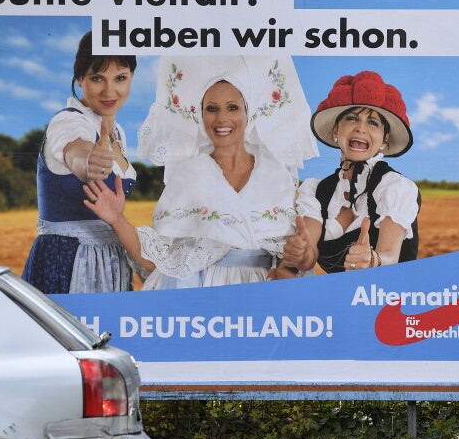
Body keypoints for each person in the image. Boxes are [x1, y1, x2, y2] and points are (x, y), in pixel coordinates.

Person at [84, 55, 318, 289]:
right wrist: (116, 218)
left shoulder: (276, 176)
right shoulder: (188, 175)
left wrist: (298, 256)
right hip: (200, 291)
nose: (222, 118)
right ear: (200, 115)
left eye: (233, 107)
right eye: (212, 109)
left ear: (249, 114)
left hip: (261, 291)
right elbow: (157, 260)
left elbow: (296, 260)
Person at [21, 31, 137, 293]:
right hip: (69, 260)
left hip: (110, 261)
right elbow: (75, 150)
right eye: (97, 78)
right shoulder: (68, 120)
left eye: (120, 78)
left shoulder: (117, 133)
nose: (110, 91)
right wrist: (87, 162)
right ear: (80, 79)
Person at [277, 71, 420, 276]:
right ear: (336, 130)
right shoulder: (317, 191)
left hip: (387, 301)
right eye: (352, 118)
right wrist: (300, 253)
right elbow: (309, 257)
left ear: (384, 139)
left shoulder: (395, 187)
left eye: (372, 123)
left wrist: (372, 260)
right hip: (337, 303)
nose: (360, 128)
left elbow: (389, 256)